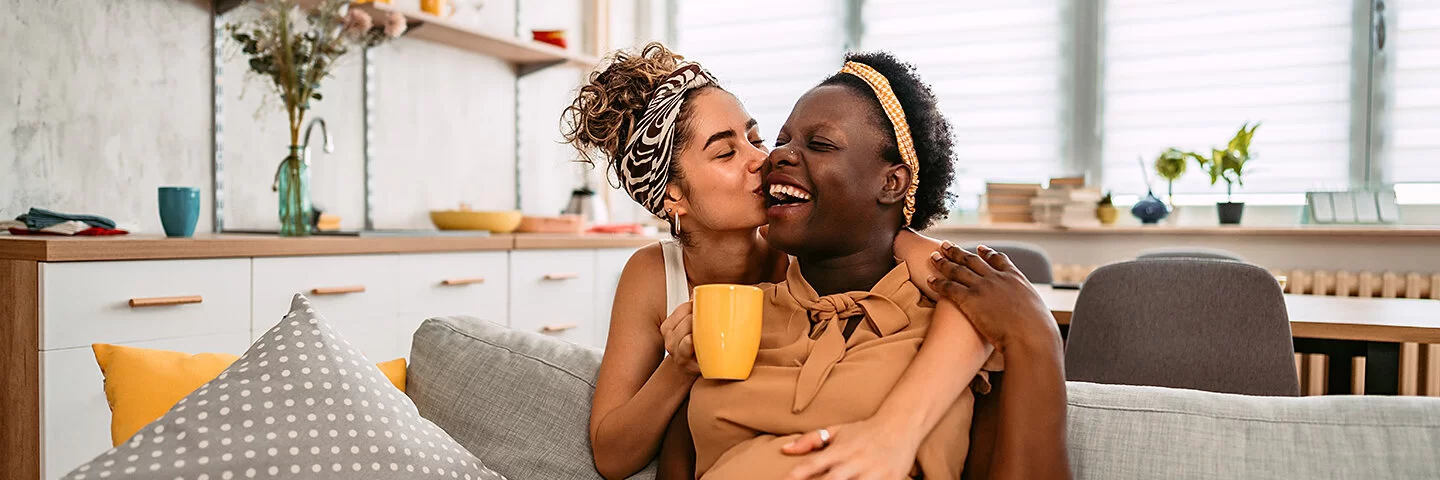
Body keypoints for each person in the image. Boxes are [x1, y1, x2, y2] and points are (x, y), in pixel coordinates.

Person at [563, 43, 993, 480]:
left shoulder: (812, 243)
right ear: (673, 194)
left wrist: (894, 431)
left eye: (755, 138)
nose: (762, 160)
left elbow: (980, 301)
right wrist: (682, 366)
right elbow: (612, 456)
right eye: (725, 153)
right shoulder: (654, 275)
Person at [687, 50, 1001, 479]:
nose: (777, 157)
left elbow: (991, 303)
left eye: (819, 144)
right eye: (781, 141)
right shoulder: (736, 317)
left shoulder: (954, 320)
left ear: (892, 182)